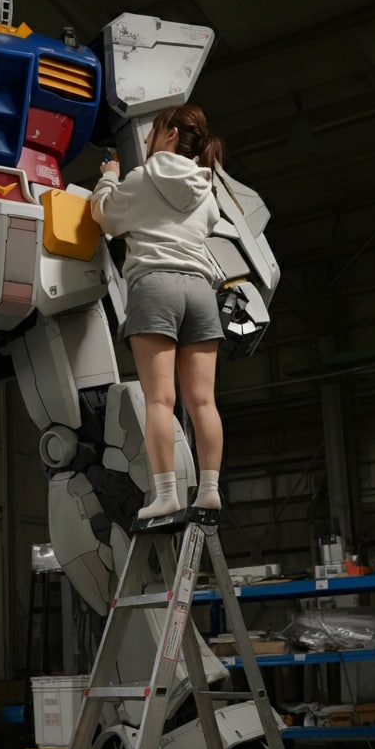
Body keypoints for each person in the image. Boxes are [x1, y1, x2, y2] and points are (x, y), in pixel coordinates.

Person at [90, 103, 226, 521]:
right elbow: (209, 223)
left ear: (170, 135)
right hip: (200, 292)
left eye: (150, 136)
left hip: (155, 286)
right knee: (203, 401)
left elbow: (105, 217)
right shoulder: (205, 188)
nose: (146, 143)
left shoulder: (142, 178)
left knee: (160, 400)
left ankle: (166, 494)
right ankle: (210, 491)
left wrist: (108, 178)